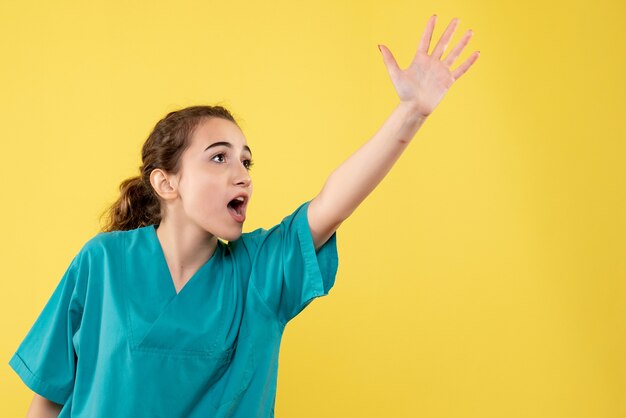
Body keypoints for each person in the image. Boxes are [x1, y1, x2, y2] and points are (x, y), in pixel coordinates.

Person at [8, 14, 479, 418]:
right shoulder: (102, 264)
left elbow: (332, 202)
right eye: (219, 157)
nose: (242, 175)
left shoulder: (259, 274)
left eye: (246, 161)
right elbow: (48, 395)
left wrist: (410, 114)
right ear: (166, 183)